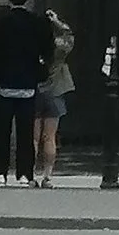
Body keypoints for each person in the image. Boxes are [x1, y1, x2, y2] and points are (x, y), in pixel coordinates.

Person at [0, 0, 55, 185]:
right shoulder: (37, 23)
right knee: (26, 134)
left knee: (1, 133)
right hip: (27, 84)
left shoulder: (0, 22)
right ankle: (25, 174)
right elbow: (48, 51)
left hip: (3, 85)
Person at [34, 16, 76, 186]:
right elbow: (69, 36)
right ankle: (47, 175)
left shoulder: (34, 46)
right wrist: (57, 20)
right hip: (55, 92)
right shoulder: (58, 47)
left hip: (35, 91)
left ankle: (30, 175)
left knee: (34, 138)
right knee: (49, 137)